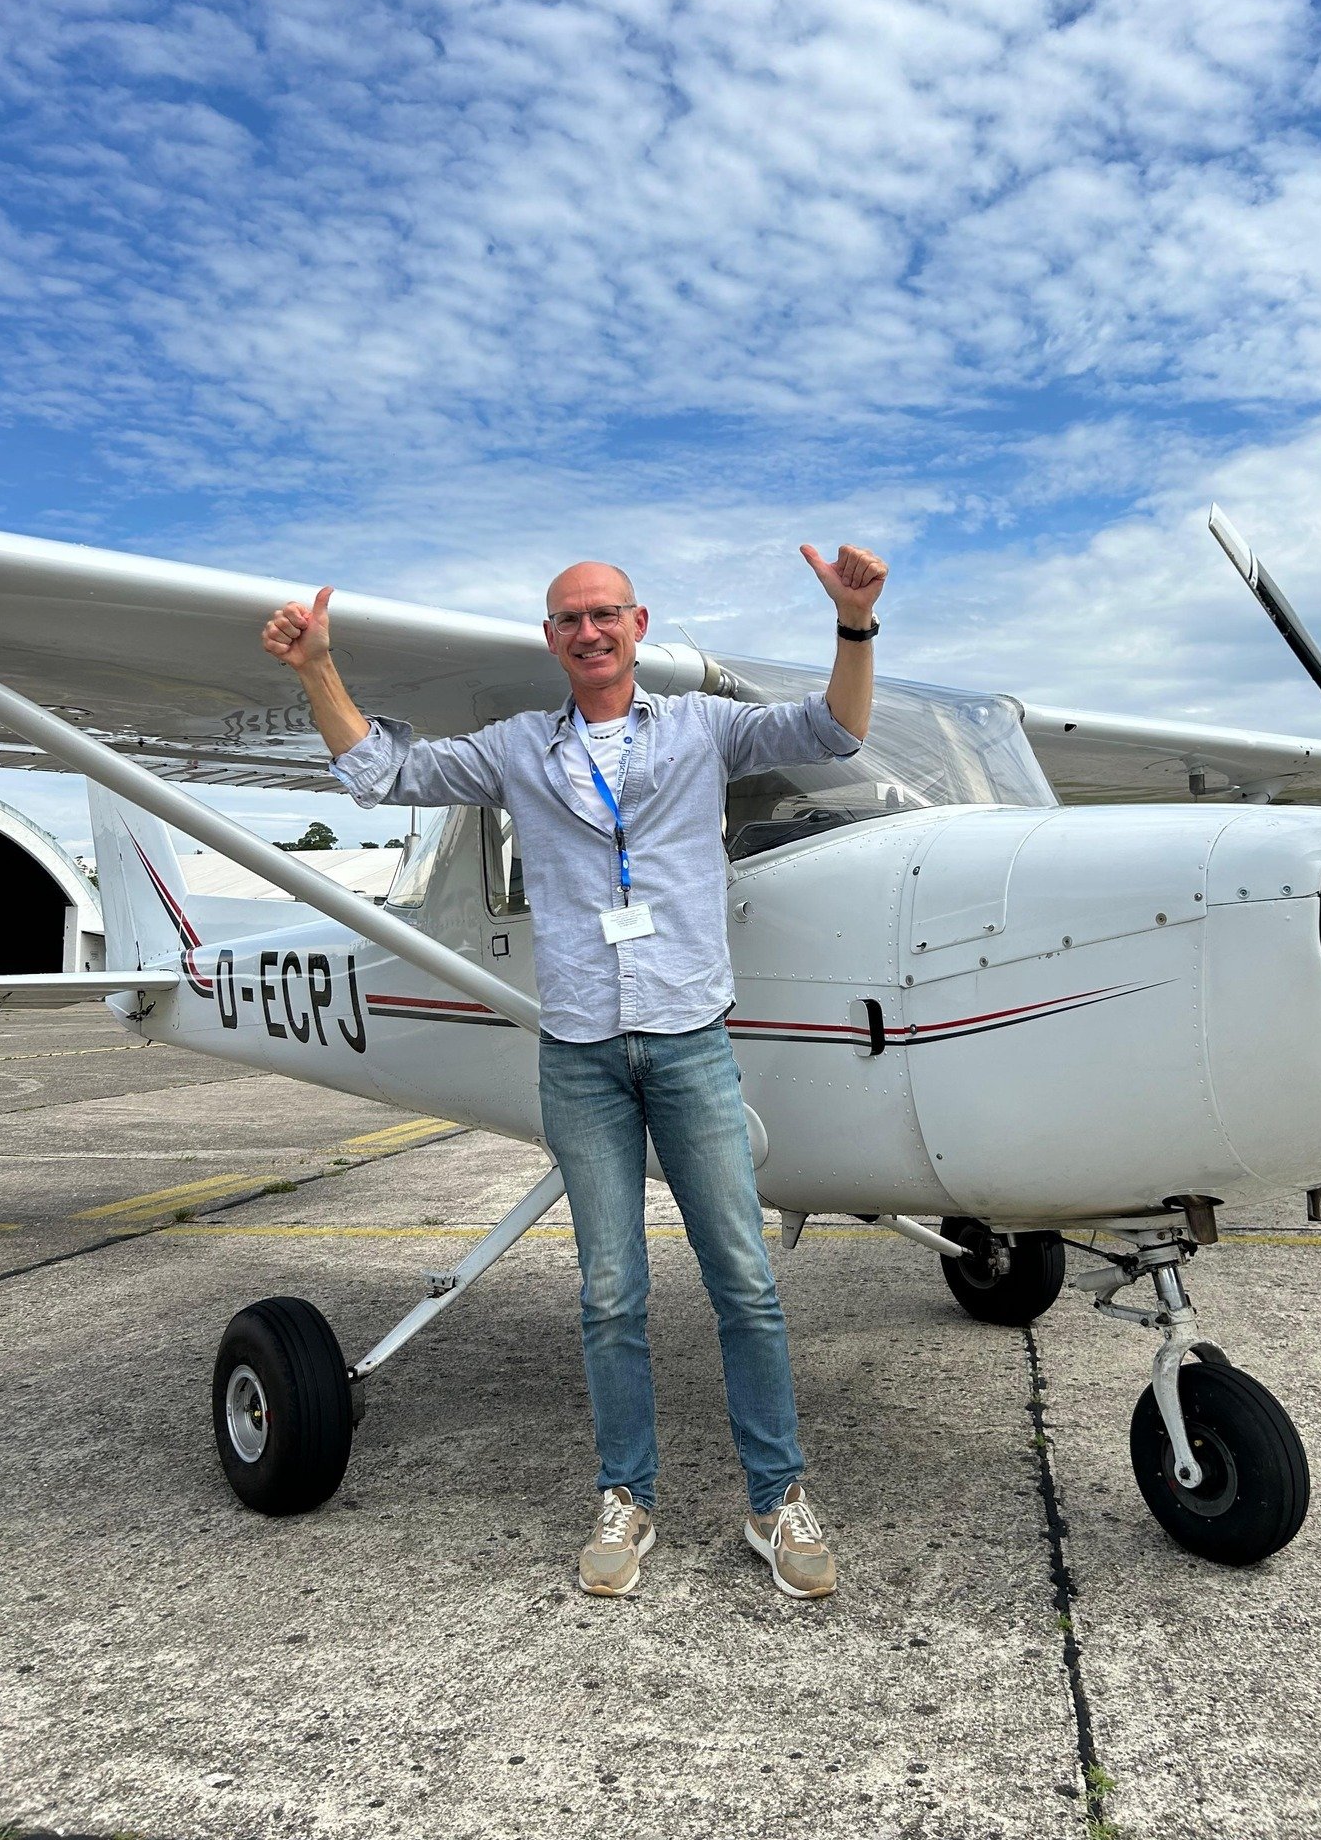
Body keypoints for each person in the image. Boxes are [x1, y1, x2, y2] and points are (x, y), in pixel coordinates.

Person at [261, 542, 887, 1599]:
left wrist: (855, 626)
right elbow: (383, 774)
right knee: (609, 1293)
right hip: (581, 1056)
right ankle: (626, 1499)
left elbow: (834, 730)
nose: (589, 632)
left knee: (744, 1282)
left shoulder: (703, 729)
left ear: (638, 627)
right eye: (568, 620)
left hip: (690, 1043)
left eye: (606, 614)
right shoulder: (517, 750)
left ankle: (777, 1499)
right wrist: (319, 666)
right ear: (552, 642)